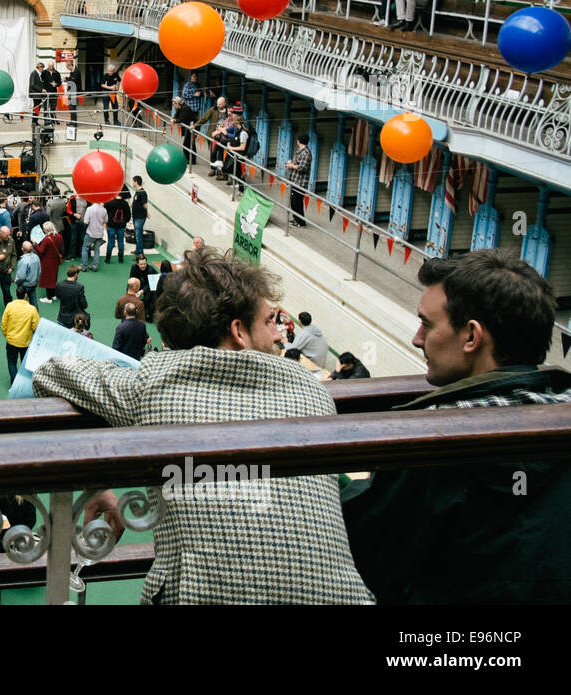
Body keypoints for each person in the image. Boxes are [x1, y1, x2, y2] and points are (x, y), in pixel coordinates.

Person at [32, 248, 374, 604]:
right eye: (270, 321)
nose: (278, 335)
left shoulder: (153, 384)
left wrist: (97, 468)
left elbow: (50, 370)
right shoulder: (312, 391)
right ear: (238, 332)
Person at [343, 249, 571, 604]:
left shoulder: (431, 439)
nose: (417, 338)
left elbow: (368, 552)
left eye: (427, 324)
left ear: (471, 337)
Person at [1, 286, 40, 382]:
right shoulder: (32, 309)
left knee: (12, 362)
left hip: (11, 341)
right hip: (25, 342)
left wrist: (7, 335)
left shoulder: (10, 306)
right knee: (25, 364)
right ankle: (23, 383)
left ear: (16, 294)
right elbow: (36, 327)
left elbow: (3, 323)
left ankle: (14, 383)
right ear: (26, 295)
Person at [285, 133, 312, 227]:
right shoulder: (299, 151)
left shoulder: (306, 153)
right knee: (293, 202)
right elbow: (297, 163)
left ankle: (301, 222)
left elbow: (303, 167)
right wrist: (291, 164)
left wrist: (292, 165)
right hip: (294, 179)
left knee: (298, 202)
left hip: (300, 182)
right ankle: (296, 219)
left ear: (298, 141)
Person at [34, 221, 64, 304]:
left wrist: (35, 244)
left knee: (47, 280)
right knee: (53, 278)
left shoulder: (47, 239)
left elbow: (41, 251)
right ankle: (53, 295)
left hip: (47, 262)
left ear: (46, 230)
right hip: (55, 261)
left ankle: (49, 298)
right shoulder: (59, 236)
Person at [103, 194, 131, 264]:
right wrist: (125, 221)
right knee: (120, 241)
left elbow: (104, 208)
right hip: (121, 226)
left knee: (110, 242)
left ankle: (108, 259)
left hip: (111, 225)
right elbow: (128, 216)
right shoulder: (125, 204)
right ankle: (120, 259)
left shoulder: (110, 202)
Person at [81, 196, 107, 272]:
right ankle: (94, 266)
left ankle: (84, 266)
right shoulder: (104, 210)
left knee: (85, 248)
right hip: (99, 233)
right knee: (97, 250)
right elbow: (105, 221)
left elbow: (86, 221)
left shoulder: (89, 209)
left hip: (90, 233)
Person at [13, 240, 41, 308]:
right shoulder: (36, 257)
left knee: (22, 303)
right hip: (33, 284)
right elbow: (39, 271)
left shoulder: (23, 261)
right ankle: (36, 316)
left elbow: (21, 276)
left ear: (22, 249)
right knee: (34, 301)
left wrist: (16, 280)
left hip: (24, 285)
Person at [172, 96, 199, 165]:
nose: (173, 106)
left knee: (189, 143)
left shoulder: (185, 108)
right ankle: (189, 159)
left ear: (177, 103)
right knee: (188, 143)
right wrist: (174, 118)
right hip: (188, 127)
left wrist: (175, 120)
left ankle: (191, 160)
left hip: (193, 127)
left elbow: (182, 120)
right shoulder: (180, 108)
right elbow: (176, 115)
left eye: (174, 104)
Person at [41, 61, 62, 127]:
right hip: (46, 93)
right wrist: (42, 89)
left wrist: (56, 84)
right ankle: (46, 120)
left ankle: (53, 120)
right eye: (50, 66)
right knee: (46, 107)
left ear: (53, 66)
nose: (51, 67)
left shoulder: (56, 73)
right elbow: (41, 82)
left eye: (52, 66)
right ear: (48, 66)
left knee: (53, 107)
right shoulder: (44, 72)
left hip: (53, 92)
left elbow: (60, 82)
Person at [29, 62, 46, 129]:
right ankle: (34, 122)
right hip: (35, 94)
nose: (43, 69)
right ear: (39, 67)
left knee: (37, 108)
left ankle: (35, 121)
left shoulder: (37, 74)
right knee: (36, 108)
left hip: (38, 94)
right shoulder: (34, 73)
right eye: (42, 68)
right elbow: (32, 85)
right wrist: (41, 90)